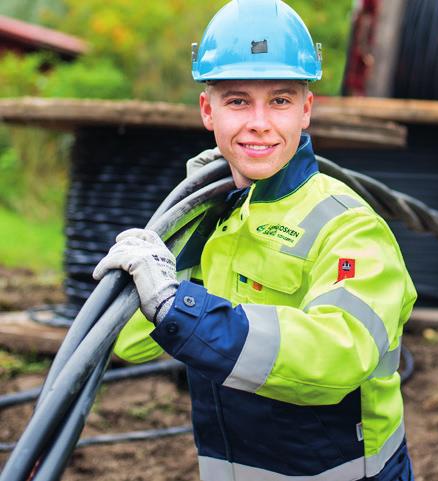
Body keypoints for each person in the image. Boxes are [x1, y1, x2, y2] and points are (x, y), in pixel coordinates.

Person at [93, 0, 417, 479]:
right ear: (208, 110)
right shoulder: (212, 214)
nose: (259, 122)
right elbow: (132, 344)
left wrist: (177, 306)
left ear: (307, 109)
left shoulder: (349, 227)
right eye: (238, 101)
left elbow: (339, 354)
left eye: (281, 101)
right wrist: (150, 272)